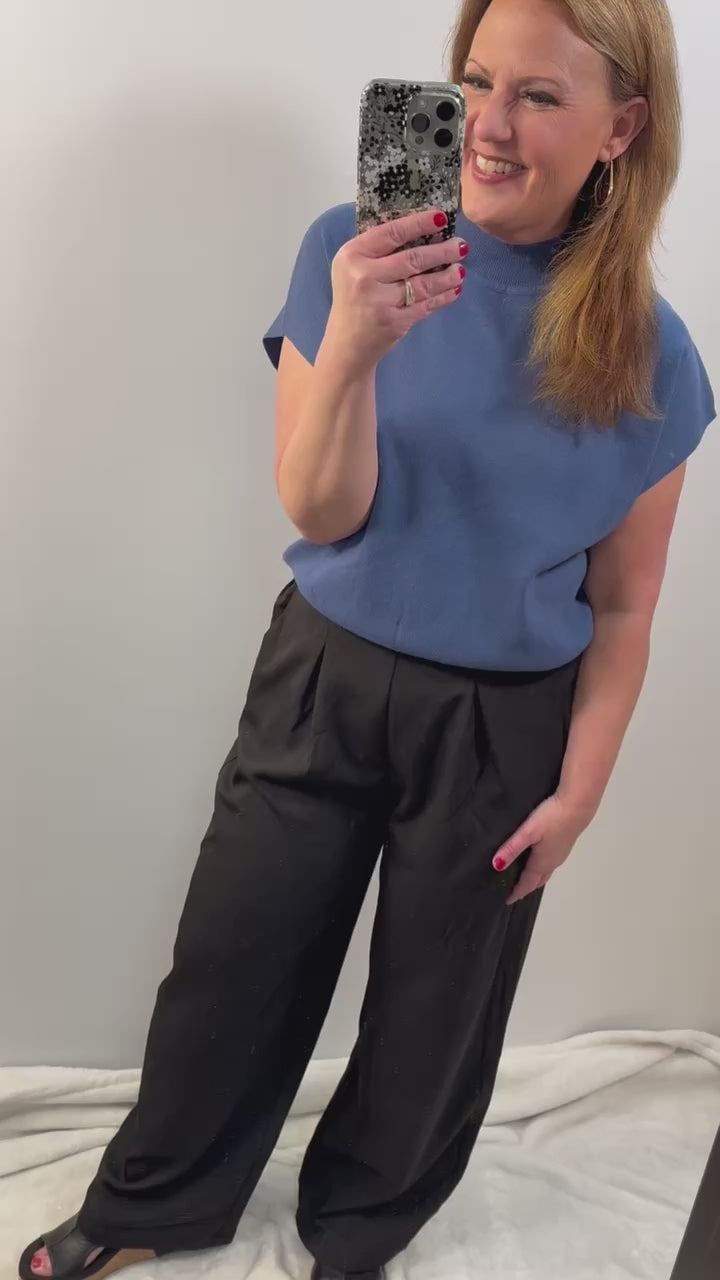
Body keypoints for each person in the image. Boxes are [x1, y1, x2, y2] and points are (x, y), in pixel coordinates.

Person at [19, 0, 715, 1278]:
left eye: (539, 96)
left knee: (437, 1007)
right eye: (475, 79)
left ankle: (359, 1229)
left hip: (505, 722)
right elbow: (321, 507)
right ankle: (155, 1195)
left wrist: (580, 792)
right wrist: (351, 345)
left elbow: (624, 604)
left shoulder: (651, 357)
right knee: (235, 954)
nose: (489, 125)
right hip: (321, 672)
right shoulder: (352, 250)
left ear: (622, 128)